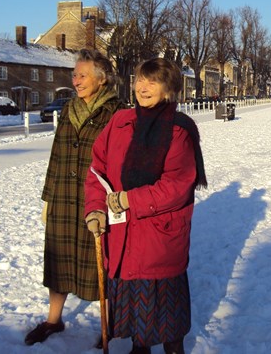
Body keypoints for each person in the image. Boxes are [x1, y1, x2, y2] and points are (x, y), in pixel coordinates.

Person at [84, 57, 207, 354]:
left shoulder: (179, 130)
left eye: (153, 81)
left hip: (159, 238)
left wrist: (129, 199)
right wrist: (95, 209)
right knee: (136, 321)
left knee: (166, 318)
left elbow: (177, 185)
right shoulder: (120, 122)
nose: (143, 87)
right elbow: (97, 171)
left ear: (169, 89)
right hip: (122, 236)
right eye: (140, 79)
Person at [25, 48, 125, 346]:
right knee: (59, 262)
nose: (76, 80)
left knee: (101, 264)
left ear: (101, 79)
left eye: (82, 75)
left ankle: (110, 324)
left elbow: (121, 162)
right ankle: (53, 320)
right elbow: (56, 155)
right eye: (75, 75)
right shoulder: (69, 109)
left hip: (98, 201)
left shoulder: (117, 113)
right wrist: (47, 198)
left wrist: (117, 202)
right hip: (64, 198)